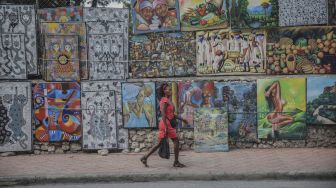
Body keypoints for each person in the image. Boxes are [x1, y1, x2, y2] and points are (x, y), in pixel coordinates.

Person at [140, 83, 187, 168]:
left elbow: (172, 115)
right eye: (168, 89)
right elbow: (163, 114)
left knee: (159, 143)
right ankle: (176, 162)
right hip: (166, 124)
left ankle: (144, 157)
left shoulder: (168, 100)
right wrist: (166, 126)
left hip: (166, 123)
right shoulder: (164, 100)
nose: (170, 91)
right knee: (176, 141)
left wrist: (182, 119)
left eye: (170, 89)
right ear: (164, 91)